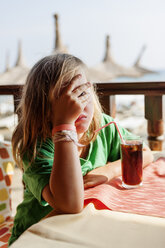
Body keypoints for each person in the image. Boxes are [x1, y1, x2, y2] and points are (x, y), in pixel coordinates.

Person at [9, 53, 153, 246]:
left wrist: (109, 171)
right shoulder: (36, 147)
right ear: (42, 107)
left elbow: (145, 153)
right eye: (64, 99)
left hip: (83, 231)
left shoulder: (104, 127)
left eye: (82, 93)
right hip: (39, 235)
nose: (78, 105)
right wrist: (64, 126)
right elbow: (69, 205)